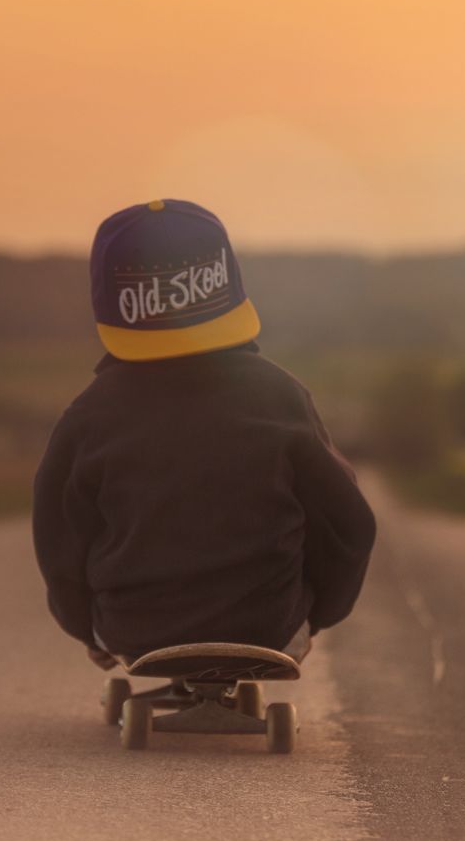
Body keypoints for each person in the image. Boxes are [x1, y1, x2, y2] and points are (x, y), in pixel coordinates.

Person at [32, 199, 376, 672]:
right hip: (268, 629)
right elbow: (348, 527)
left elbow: (59, 540)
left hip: (134, 632)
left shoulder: (90, 413)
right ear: (226, 283)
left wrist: (84, 625)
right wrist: (316, 615)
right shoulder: (279, 395)